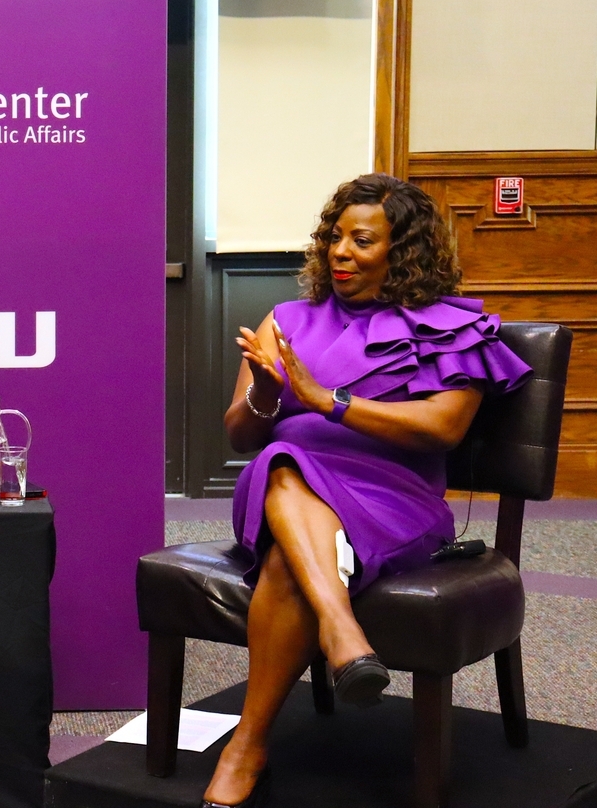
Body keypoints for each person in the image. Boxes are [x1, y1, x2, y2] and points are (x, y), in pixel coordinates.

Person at [200, 174, 532, 808]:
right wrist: (266, 396)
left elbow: (443, 427)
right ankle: (341, 629)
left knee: (285, 550)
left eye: (361, 240)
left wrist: (328, 401)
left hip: (394, 497)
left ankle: (248, 746)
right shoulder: (287, 320)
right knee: (282, 460)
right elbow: (241, 435)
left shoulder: (450, 326)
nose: (340, 253)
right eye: (334, 238)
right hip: (279, 482)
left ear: (403, 250)